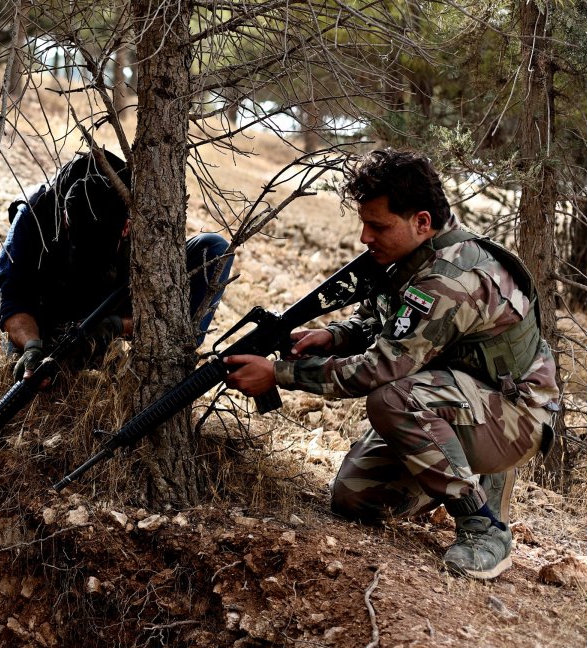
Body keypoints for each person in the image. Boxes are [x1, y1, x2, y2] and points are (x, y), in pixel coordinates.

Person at [225, 148, 558, 580]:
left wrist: (279, 374)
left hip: (514, 417)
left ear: (421, 221)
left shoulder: (451, 280)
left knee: (391, 398)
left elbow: (378, 370)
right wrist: (334, 335)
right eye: (364, 223)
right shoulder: (414, 257)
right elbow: (386, 317)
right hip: (458, 402)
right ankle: (460, 472)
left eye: (377, 226)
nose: (365, 237)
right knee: (355, 497)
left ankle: (484, 527)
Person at [0, 150, 233, 382]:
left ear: (127, 227)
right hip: (49, 317)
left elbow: (169, 285)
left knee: (213, 249)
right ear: (66, 219)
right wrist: (31, 345)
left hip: (110, 313)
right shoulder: (34, 212)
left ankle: (155, 370)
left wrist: (119, 325)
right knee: (29, 374)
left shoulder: (144, 218)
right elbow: (12, 298)